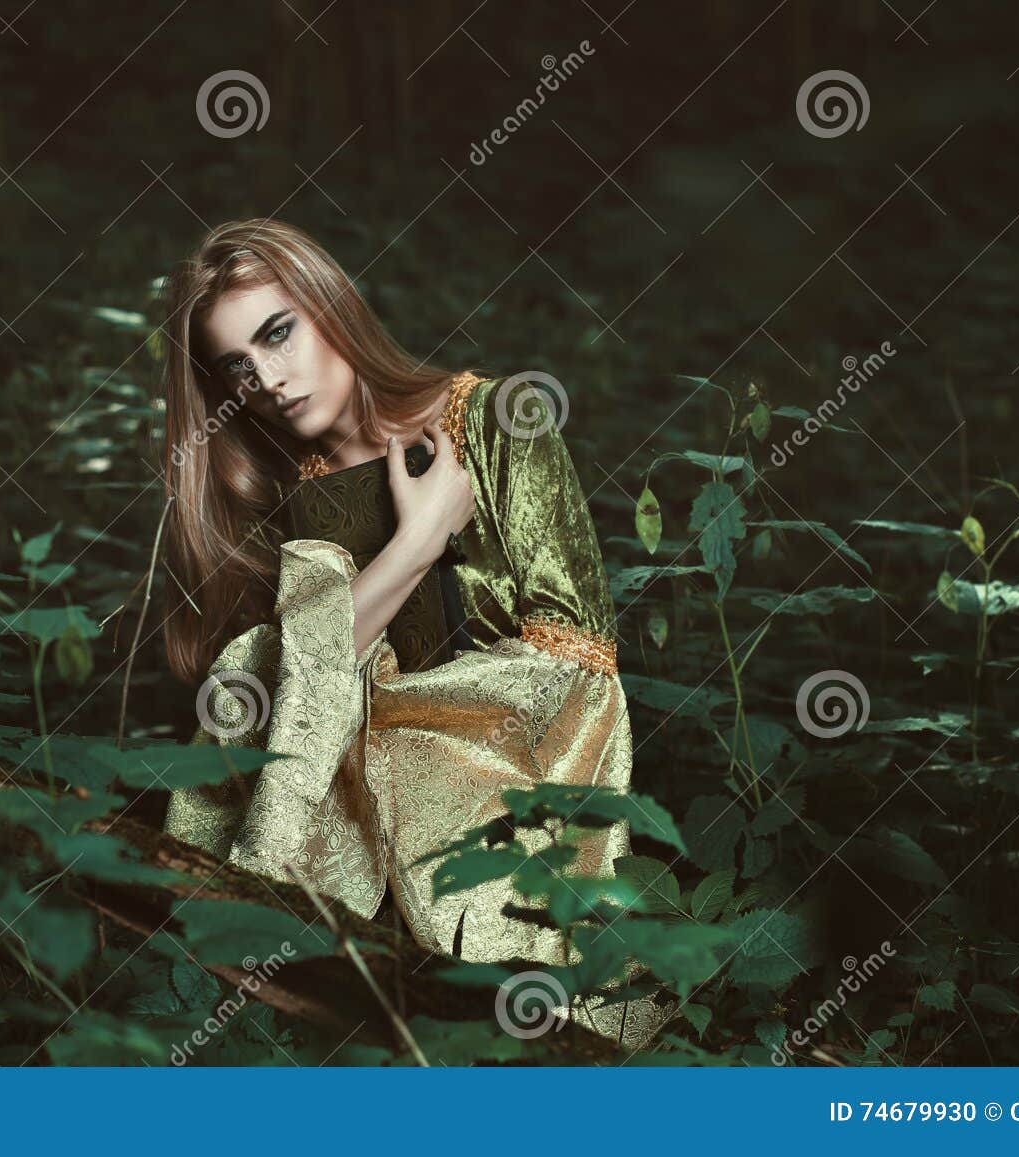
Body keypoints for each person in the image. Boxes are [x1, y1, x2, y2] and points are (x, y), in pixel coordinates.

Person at [157, 218, 668, 1044]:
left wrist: (388, 700)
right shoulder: (302, 501)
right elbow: (298, 693)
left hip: (509, 793)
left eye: (279, 332)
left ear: (331, 303)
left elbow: (579, 671)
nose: (270, 379)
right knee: (252, 665)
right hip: (351, 819)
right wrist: (419, 539)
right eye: (239, 367)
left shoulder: (499, 419)